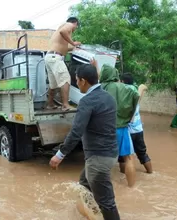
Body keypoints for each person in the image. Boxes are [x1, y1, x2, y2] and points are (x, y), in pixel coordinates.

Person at [49, 64, 120, 220]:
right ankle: (90, 215)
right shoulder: (109, 98)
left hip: (98, 159)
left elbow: (76, 132)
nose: (77, 83)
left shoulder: (87, 101)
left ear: (83, 81)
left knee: (107, 203)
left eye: (77, 80)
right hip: (111, 153)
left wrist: (59, 155)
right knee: (83, 183)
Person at [98, 63, 139, 187]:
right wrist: (129, 116)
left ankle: (103, 189)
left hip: (104, 129)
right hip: (122, 128)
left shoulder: (100, 88)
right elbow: (136, 95)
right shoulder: (127, 88)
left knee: (102, 160)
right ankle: (131, 188)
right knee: (128, 158)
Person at [44, 17, 81, 111]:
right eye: (76, 26)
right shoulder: (68, 25)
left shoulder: (58, 31)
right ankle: (65, 105)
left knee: (54, 84)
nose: (75, 28)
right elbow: (63, 32)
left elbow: (63, 47)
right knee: (66, 79)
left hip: (50, 57)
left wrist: (73, 47)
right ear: (75, 23)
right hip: (55, 57)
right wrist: (73, 42)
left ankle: (50, 104)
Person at [120, 73, 153, 173]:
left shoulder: (122, 92)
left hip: (126, 130)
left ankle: (122, 175)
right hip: (138, 129)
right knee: (142, 153)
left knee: (123, 155)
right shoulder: (134, 91)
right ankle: (151, 173)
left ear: (122, 82)